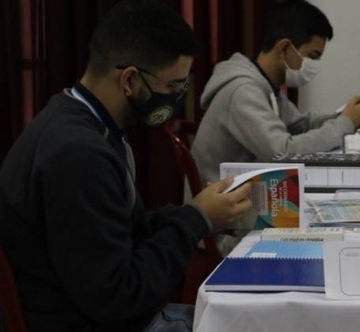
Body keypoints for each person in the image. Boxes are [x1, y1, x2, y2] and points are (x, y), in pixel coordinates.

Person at [0, 1, 251, 331]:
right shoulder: (78, 154)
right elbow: (119, 295)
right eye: (174, 86)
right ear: (131, 79)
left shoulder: (80, 120)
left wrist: (200, 215)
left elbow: (110, 230)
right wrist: (194, 220)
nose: (177, 98)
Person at [190, 0, 360, 188]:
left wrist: (346, 116)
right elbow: (283, 152)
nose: (316, 65)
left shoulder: (266, 85)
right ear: (285, 48)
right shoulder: (243, 91)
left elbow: (301, 125)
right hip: (220, 204)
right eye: (313, 56)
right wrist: (345, 123)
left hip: (247, 191)